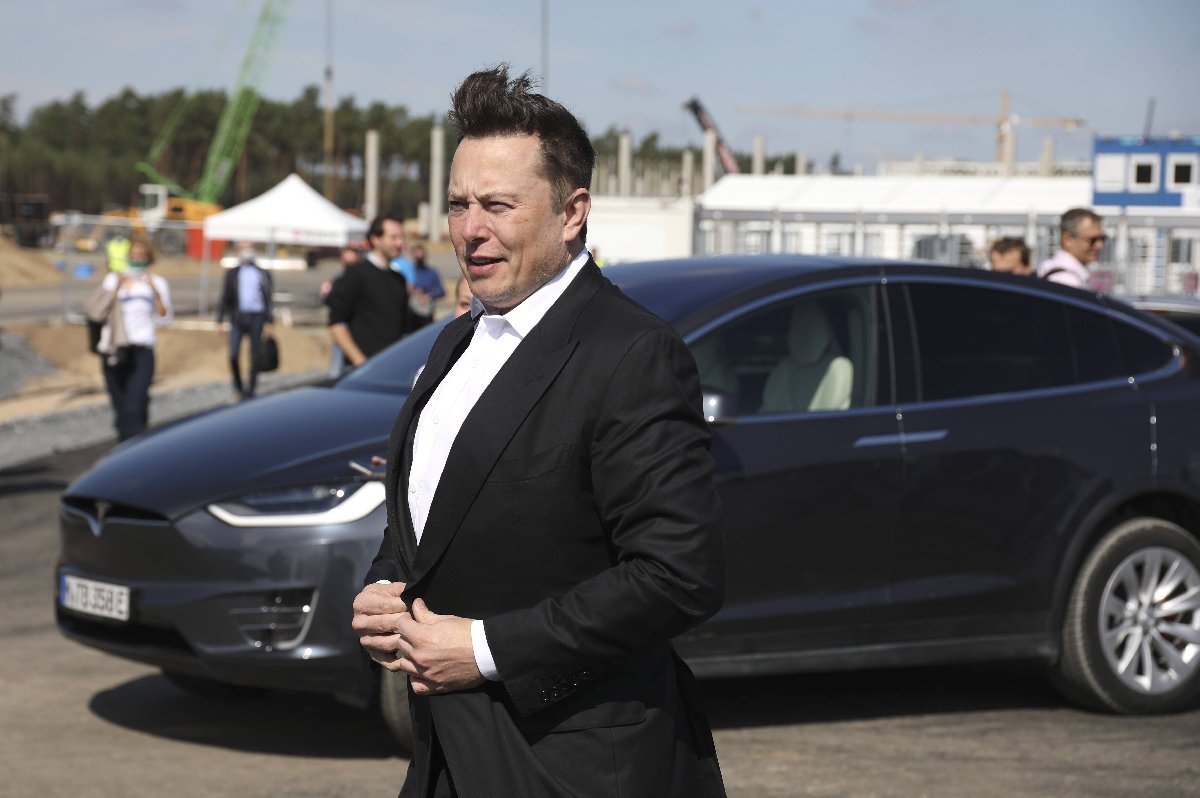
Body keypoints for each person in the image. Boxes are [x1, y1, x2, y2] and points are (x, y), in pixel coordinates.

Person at [351, 65, 726, 798]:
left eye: (497, 205)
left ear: (571, 211)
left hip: (573, 763)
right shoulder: (456, 342)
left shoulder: (631, 353)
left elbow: (680, 575)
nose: (470, 230)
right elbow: (430, 521)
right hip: (445, 753)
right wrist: (383, 590)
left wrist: (485, 648)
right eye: (458, 204)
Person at [96, 237, 172, 441]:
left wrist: (155, 293)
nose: (136, 259)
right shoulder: (113, 280)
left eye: (141, 255)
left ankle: (136, 445)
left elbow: (165, 318)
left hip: (142, 349)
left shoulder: (157, 283)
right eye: (133, 255)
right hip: (116, 348)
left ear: (149, 258)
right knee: (120, 405)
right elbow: (98, 311)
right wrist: (116, 287)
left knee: (135, 404)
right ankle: (125, 444)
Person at [325, 216, 410, 373]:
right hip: (361, 372)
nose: (400, 243)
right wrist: (361, 364)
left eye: (401, 237)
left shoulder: (399, 279)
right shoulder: (355, 274)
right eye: (393, 238)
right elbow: (336, 324)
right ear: (376, 239)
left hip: (392, 369)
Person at [218, 241, 274, 399]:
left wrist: (269, 321)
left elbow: (268, 298)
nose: (246, 251)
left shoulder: (262, 273)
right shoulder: (233, 273)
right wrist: (220, 319)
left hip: (257, 317)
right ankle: (238, 387)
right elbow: (225, 297)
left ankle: (252, 389)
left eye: (249, 248)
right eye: (243, 248)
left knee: (255, 355)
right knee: (233, 354)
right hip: (238, 318)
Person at [1038, 208, 1106, 288]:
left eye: (1102, 239)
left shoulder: (1062, 274)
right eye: (1093, 240)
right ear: (1067, 239)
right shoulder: (1066, 280)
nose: (1099, 245)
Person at [406, 243, 447, 330]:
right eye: (417, 255)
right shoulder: (409, 271)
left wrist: (429, 296)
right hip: (411, 314)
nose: (419, 257)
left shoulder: (432, 272)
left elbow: (441, 291)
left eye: (421, 255)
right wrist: (415, 293)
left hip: (427, 313)